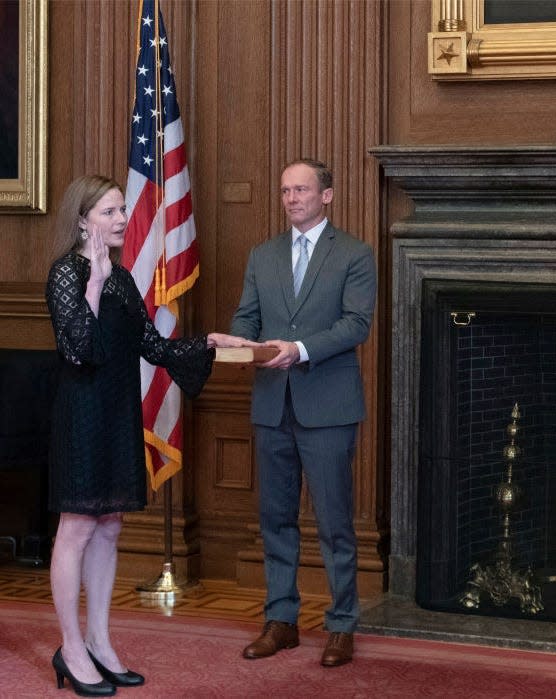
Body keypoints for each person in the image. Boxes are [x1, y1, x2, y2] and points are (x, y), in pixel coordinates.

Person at [45, 175, 256, 697]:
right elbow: (80, 350)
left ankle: (99, 641)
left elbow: (152, 345)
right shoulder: (67, 274)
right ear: (82, 220)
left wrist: (208, 344)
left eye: (121, 210)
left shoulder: (121, 278)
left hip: (118, 411)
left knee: (111, 525)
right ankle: (70, 648)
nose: (121, 220)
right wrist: (93, 280)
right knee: (76, 526)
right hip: (81, 414)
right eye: (110, 212)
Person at [231, 159, 376, 667]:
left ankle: (341, 625)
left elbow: (357, 324)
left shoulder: (354, 254)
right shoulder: (262, 255)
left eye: (302, 190)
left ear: (327, 196)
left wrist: (300, 348)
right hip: (272, 405)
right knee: (274, 519)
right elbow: (247, 317)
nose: (292, 198)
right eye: (286, 190)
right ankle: (281, 621)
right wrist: (236, 341)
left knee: (335, 523)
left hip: (328, 407)